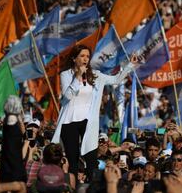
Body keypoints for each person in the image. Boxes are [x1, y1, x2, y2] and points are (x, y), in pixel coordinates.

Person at [52, 44, 137, 181]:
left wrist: (130, 65)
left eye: (87, 56)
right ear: (74, 58)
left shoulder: (96, 75)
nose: (85, 59)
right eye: (82, 56)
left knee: (91, 157)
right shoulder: (66, 74)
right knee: (72, 159)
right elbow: (67, 96)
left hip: (88, 121)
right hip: (70, 121)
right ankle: (73, 189)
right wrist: (78, 77)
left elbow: (116, 79)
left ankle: (91, 189)